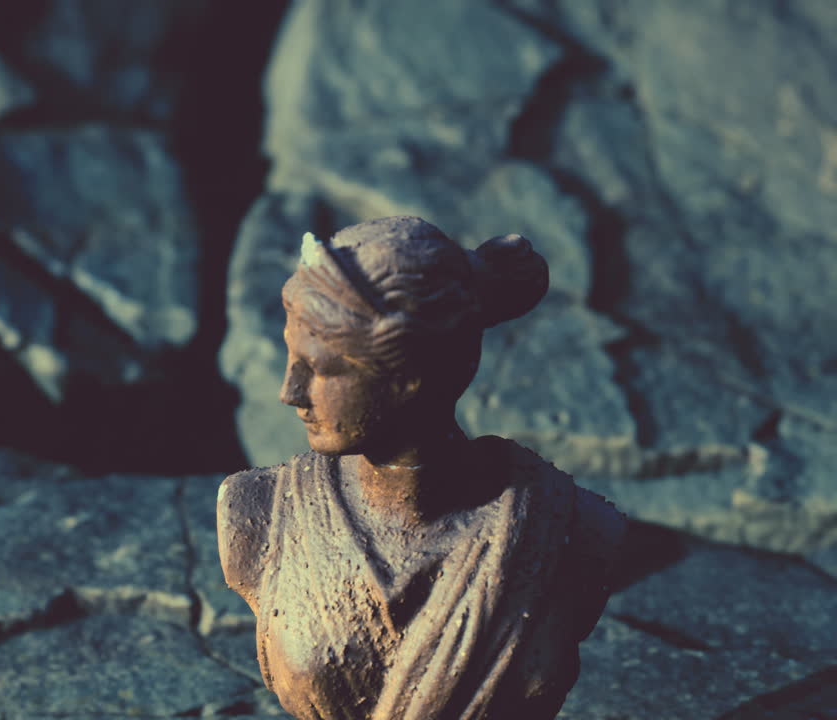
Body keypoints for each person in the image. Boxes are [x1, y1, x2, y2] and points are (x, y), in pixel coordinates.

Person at [217, 217, 625, 720]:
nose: (289, 391)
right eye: (291, 359)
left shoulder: (573, 528)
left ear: (408, 377)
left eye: (322, 368)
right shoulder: (256, 511)